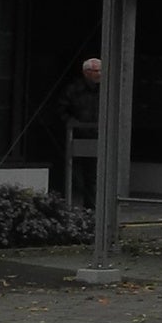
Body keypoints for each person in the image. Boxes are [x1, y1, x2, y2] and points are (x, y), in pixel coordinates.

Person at [61, 57, 104, 210]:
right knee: (75, 173)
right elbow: (62, 111)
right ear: (86, 72)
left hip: (99, 136)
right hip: (77, 136)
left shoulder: (106, 90)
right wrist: (74, 124)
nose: (99, 74)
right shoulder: (74, 90)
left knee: (93, 175)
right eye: (96, 71)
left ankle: (91, 207)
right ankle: (70, 207)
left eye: (101, 71)